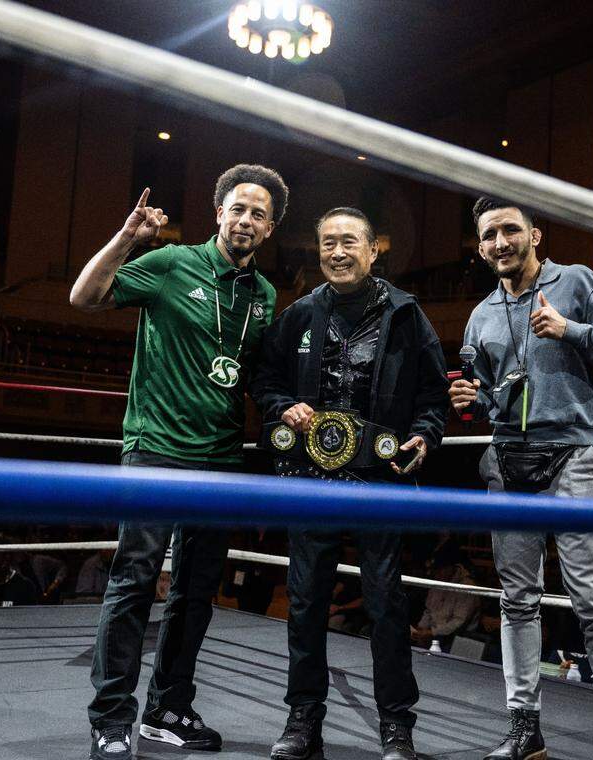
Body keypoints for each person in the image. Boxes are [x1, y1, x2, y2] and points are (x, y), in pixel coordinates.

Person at [69, 163, 287, 760]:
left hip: (221, 457)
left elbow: (254, 377)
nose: (245, 220)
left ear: (269, 229)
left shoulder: (263, 296)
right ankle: (111, 716)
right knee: (134, 580)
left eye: (258, 214)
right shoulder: (170, 265)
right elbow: (84, 296)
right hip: (157, 448)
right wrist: (126, 238)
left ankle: (168, 708)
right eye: (237, 208)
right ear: (219, 212)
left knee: (195, 591)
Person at [449, 197, 593, 760]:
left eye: (511, 230)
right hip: (507, 459)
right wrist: (471, 398)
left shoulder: (578, 281)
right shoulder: (481, 313)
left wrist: (571, 328)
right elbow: (489, 394)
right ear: (481, 246)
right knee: (516, 600)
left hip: (572, 456)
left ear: (536, 235)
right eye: (489, 235)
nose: (500, 242)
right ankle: (524, 726)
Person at [252, 206, 448, 760]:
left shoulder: (408, 316)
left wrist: (425, 436)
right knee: (306, 602)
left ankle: (396, 725)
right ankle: (303, 718)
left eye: (348, 243)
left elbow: (434, 397)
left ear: (373, 249)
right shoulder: (299, 315)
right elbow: (264, 380)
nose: (337, 253)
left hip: (378, 479)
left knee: (386, 603)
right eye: (327, 244)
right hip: (309, 480)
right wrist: (283, 404)